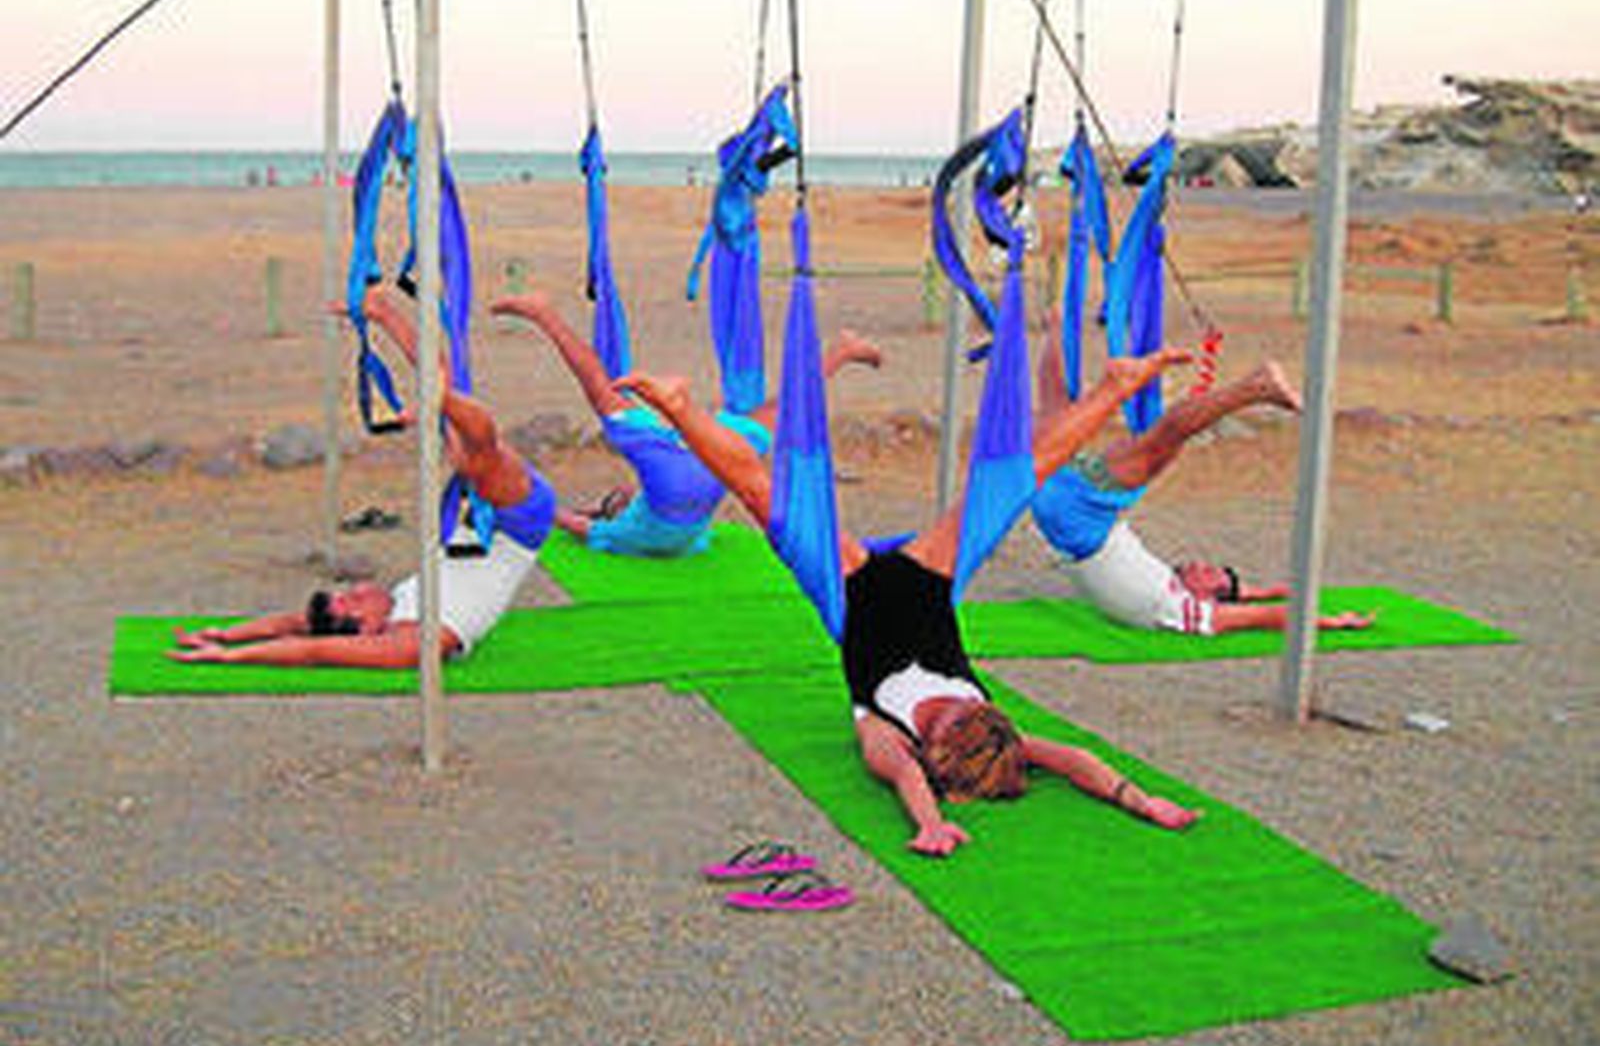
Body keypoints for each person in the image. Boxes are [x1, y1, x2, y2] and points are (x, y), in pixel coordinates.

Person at [616, 347, 1202, 858]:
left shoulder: (889, 737)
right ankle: (1116, 386)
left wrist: (932, 825)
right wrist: (1140, 799)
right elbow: (1073, 758)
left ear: (936, 753)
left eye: (946, 730)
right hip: (929, 583)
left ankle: (676, 406)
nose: (950, 714)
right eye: (965, 717)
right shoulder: (996, 734)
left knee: (764, 492)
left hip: (849, 593)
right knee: (1016, 478)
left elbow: (903, 779)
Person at [168, 289, 556, 668]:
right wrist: (231, 659)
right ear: (365, 631)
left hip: (475, 525)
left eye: (346, 593)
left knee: (460, 426)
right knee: (478, 449)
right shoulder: (413, 641)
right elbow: (314, 651)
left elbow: (294, 624)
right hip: (514, 527)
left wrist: (225, 634)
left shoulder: (383, 615)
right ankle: (438, 399)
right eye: (353, 601)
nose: (357, 590)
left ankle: (388, 318)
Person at [1030, 318, 1374, 636]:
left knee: (1161, 439)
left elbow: (1270, 615)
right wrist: (1271, 592)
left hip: (1080, 519)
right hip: (1070, 514)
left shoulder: (1187, 612)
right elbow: (1255, 596)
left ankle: (1255, 387)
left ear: (1209, 596)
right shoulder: (1178, 593)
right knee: (1058, 417)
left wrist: (1332, 622)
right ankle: (1056, 327)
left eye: (1209, 573)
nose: (1200, 564)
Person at [491, 290, 881, 557]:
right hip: (682, 474)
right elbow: (560, 516)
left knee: (780, 412)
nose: (622, 491)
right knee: (600, 388)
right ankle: (543, 313)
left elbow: (564, 518)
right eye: (617, 497)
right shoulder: (618, 534)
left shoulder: (668, 539)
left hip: (707, 474)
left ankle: (841, 353)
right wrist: (508, 495)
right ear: (619, 509)